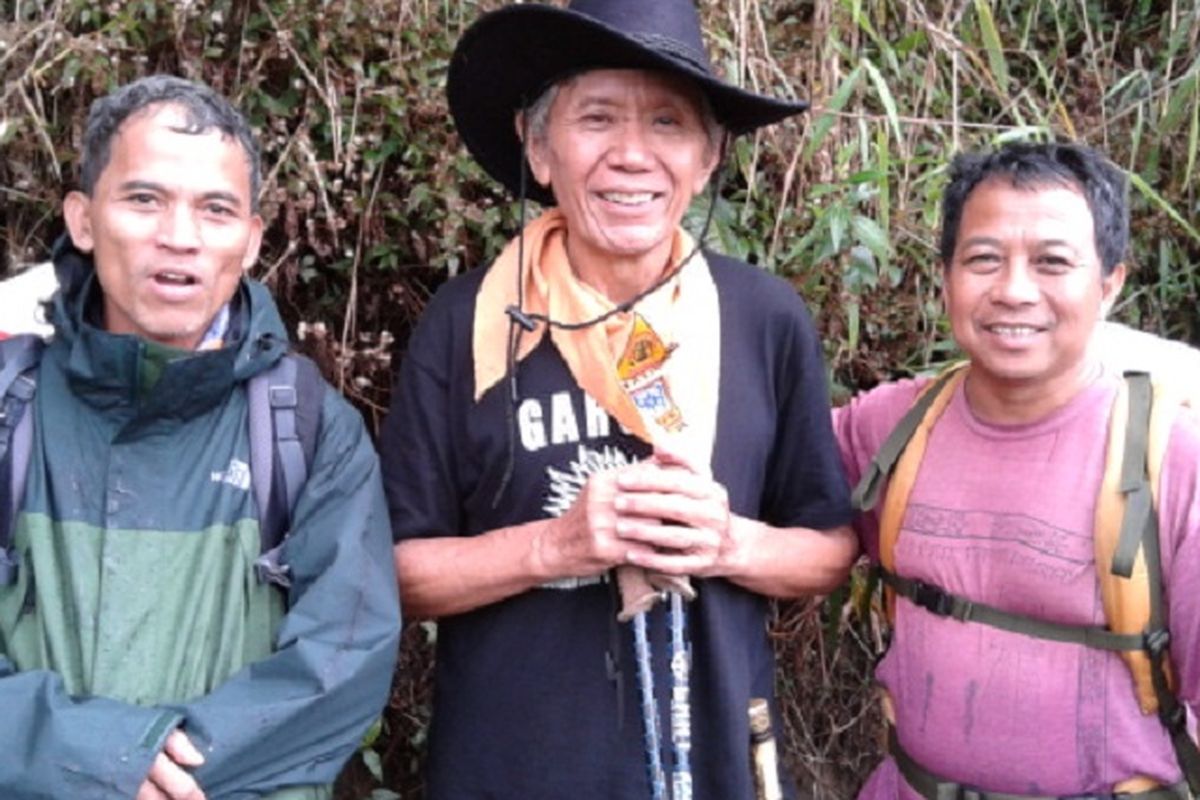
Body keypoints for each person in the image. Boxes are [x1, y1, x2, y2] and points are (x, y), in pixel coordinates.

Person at [378, 0, 856, 797]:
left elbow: (827, 550)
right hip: (511, 766)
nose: (632, 155)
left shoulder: (763, 319)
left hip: (711, 763)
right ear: (538, 149)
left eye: (668, 123)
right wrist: (555, 548)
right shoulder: (469, 323)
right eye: (596, 118)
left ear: (707, 158)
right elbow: (398, 572)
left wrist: (727, 543)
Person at [0, 75, 401, 800]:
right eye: (144, 199)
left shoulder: (307, 429)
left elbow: (345, 662)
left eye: (215, 210)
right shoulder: (9, 404)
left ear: (250, 240)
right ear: (84, 220)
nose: (179, 238)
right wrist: (96, 757)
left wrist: (159, 773)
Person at [834, 142, 1200, 799]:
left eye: (1053, 262)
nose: (1013, 290)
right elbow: (761, 482)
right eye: (983, 259)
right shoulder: (890, 427)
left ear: (1110, 281)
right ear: (945, 274)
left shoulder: (1175, 463)